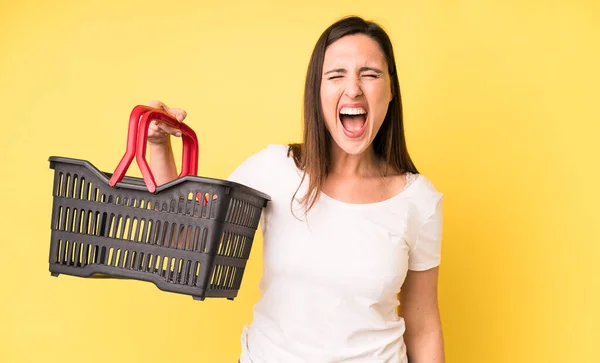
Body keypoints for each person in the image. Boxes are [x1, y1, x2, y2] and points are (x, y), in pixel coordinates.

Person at [146, 15, 444, 363]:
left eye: (370, 74)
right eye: (336, 75)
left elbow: (423, 326)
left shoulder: (419, 200)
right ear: (317, 93)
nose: (353, 89)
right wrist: (158, 148)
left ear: (391, 90)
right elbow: (181, 243)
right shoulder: (273, 169)